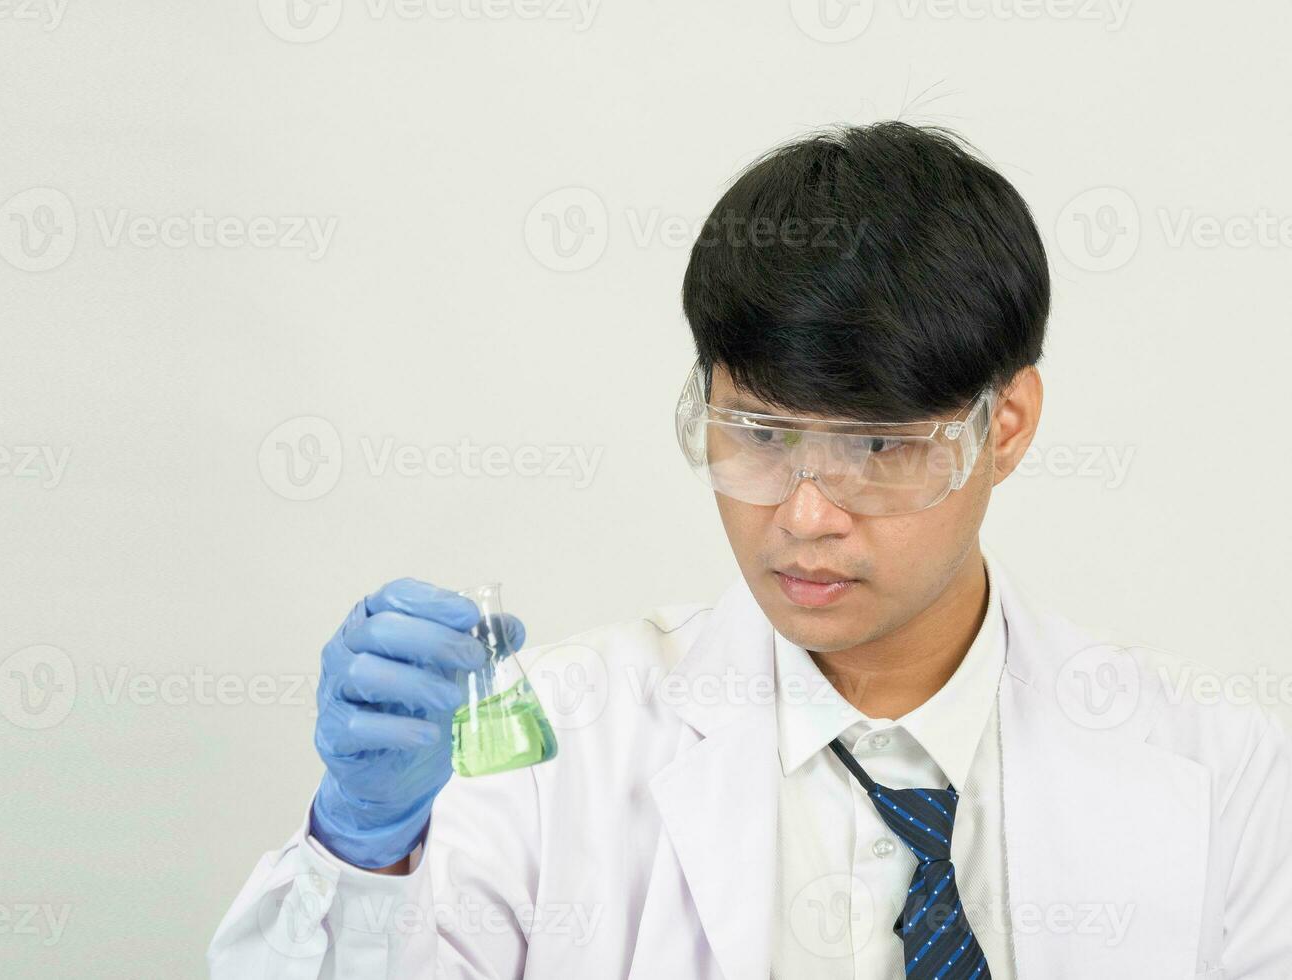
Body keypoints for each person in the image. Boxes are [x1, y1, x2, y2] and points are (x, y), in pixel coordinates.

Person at [207, 122, 1291, 979]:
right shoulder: (556, 746)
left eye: (878, 445)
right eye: (760, 436)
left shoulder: (1219, 769)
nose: (807, 513)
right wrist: (365, 854)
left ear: (1004, 427)